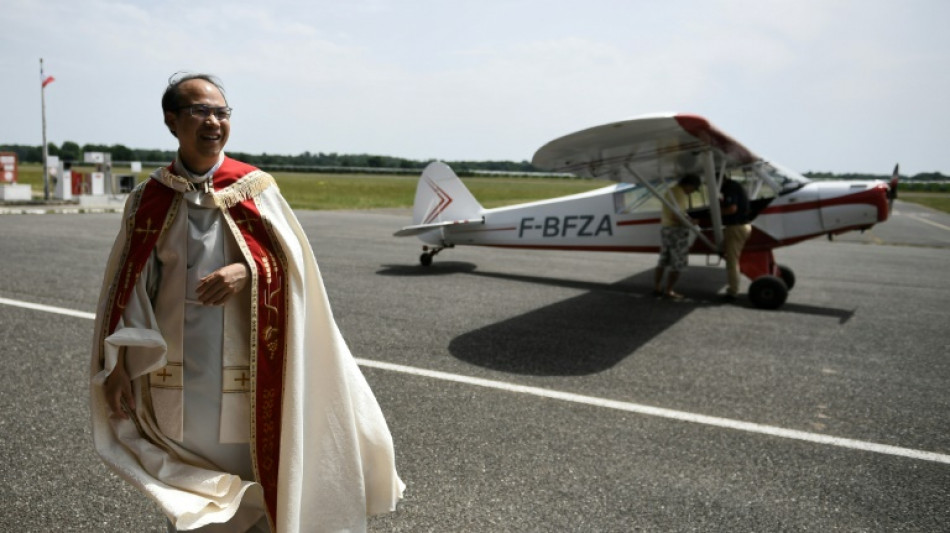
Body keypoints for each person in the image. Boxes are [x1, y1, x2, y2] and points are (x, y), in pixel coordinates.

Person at [89, 73, 403, 533]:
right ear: (172, 121)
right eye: (200, 111)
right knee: (198, 500)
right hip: (178, 377)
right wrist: (117, 368)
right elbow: (131, 288)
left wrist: (248, 271)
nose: (214, 121)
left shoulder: (255, 188)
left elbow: (297, 270)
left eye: (222, 112)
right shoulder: (148, 200)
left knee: (262, 481)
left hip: (254, 378)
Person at [653, 174, 701, 299]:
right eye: (693, 189)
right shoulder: (679, 194)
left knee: (663, 260)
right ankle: (669, 290)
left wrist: (687, 218)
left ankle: (657, 287)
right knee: (678, 262)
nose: (691, 192)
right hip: (676, 231)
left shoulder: (672, 191)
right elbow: (676, 216)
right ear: (689, 185)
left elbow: (677, 213)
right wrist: (692, 222)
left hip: (666, 229)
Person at [719, 174, 752, 301]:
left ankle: (733, 292)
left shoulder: (729, 188)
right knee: (732, 259)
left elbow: (732, 209)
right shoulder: (735, 185)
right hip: (743, 226)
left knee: (732, 262)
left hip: (736, 228)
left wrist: (715, 212)